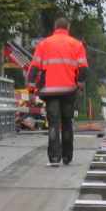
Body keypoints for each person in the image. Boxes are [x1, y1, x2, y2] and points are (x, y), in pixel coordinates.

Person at [28, 18, 88, 167]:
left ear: (55, 27)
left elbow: (34, 67)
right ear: (68, 27)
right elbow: (83, 68)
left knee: (54, 123)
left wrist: (31, 89)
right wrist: (80, 84)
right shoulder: (77, 44)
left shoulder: (44, 44)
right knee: (67, 122)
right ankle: (67, 157)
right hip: (69, 90)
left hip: (50, 91)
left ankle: (54, 158)